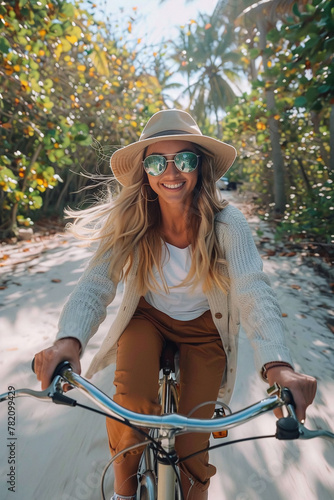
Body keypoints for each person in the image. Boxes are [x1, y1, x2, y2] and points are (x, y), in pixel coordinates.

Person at [34, 109, 317, 500]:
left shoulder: (227, 223)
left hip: (204, 330)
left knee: (192, 448)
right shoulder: (131, 217)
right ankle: (123, 492)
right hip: (146, 319)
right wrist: (69, 340)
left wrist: (279, 365)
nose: (172, 172)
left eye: (184, 159)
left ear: (200, 167)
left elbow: (252, 289)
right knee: (131, 403)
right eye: (156, 161)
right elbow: (96, 282)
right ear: (145, 172)